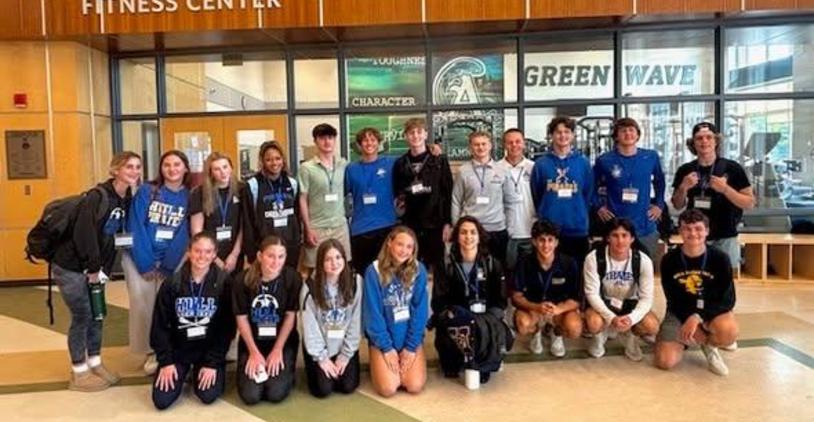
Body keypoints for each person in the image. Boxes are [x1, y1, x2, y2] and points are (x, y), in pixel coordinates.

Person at [50, 151, 141, 392]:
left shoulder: (126, 197)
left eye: (137, 167)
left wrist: (103, 271)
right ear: (115, 170)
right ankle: (79, 372)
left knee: (98, 314)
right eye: (129, 167)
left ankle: (95, 363)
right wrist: (92, 268)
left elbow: (112, 239)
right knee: (83, 316)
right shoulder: (97, 196)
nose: (134, 171)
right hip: (71, 267)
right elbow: (84, 235)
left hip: (95, 269)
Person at [125, 150, 191, 375]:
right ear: (161, 169)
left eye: (177, 164)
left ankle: (170, 348)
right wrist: (145, 262)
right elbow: (135, 225)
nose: (172, 169)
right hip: (141, 258)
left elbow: (186, 232)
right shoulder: (147, 191)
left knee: (171, 305)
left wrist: (167, 265)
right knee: (144, 305)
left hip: (173, 260)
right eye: (167, 165)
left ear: (185, 168)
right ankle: (151, 351)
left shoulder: (190, 195)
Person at [150, 233, 235, 410]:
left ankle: (202, 371)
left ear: (214, 254)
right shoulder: (172, 283)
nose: (202, 256)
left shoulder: (223, 283)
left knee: (208, 395)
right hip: (178, 352)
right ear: (189, 252)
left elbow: (226, 329)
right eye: (197, 251)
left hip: (207, 353)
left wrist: (213, 363)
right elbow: (159, 326)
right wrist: (166, 362)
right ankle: (184, 371)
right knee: (162, 401)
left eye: (208, 252)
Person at [655, 209, 738, 376]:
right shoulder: (669, 260)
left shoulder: (720, 258)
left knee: (728, 333)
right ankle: (689, 338)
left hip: (711, 311)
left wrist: (698, 317)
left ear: (707, 231)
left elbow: (727, 299)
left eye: (698, 229)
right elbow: (673, 299)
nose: (693, 233)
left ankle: (709, 345)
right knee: (665, 361)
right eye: (687, 228)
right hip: (679, 311)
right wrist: (688, 319)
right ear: (680, 231)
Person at [432, 216, 512, 383]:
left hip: (484, 320)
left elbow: (500, 301)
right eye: (463, 232)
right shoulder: (445, 264)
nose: (468, 237)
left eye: (472, 232)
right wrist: (454, 315)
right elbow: (438, 301)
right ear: (456, 237)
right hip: (456, 320)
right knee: (451, 368)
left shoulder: (492, 264)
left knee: (483, 375)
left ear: (479, 236)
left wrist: (486, 320)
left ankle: (487, 354)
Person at [671, 121, 754, 270]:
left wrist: (725, 189)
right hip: (695, 235)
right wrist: (683, 187)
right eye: (699, 138)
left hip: (725, 235)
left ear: (716, 141)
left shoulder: (732, 168)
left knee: (725, 282)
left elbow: (749, 203)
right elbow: (677, 204)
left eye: (709, 137)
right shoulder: (686, 170)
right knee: (696, 279)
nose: (704, 142)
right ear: (693, 143)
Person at [233, 235, 302, 404]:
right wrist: (254, 353)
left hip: (281, 342)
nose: (275, 262)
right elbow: (241, 319)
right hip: (253, 343)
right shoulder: (242, 280)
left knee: (275, 394)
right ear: (259, 256)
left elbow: (290, 316)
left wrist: (278, 350)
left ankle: (286, 370)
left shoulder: (292, 278)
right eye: (270, 256)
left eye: (281, 256)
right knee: (251, 396)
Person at [363, 226, 429, 397]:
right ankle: (379, 361)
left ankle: (404, 360)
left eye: (409, 247)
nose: (404, 250)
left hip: (408, 337)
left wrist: (411, 346)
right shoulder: (373, 271)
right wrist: (386, 348)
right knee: (388, 389)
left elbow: (420, 312)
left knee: (414, 385)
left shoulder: (419, 270)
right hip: (384, 339)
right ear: (389, 243)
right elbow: (373, 315)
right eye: (400, 244)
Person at [583, 218, 658, 361]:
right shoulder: (593, 258)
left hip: (629, 304)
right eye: (615, 235)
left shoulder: (643, 260)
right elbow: (591, 293)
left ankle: (631, 338)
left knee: (652, 326)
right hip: (604, 303)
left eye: (625, 236)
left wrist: (631, 318)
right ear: (608, 238)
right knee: (593, 322)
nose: (620, 241)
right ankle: (599, 336)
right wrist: (611, 318)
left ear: (632, 239)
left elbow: (646, 298)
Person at [593, 118, 666, 257]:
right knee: (617, 271)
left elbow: (660, 182)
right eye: (623, 131)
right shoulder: (604, 160)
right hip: (615, 226)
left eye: (631, 130)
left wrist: (659, 205)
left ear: (638, 134)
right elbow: (591, 186)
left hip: (644, 226)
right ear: (616, 136)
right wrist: (598, 207)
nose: (628, 134)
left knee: (645, 270)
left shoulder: (650, 156)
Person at [393, 118, 453, 281]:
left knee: (439, 270)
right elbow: (398, 194)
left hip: (436, 223)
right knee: (411, 269)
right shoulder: (400, 164)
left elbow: (448, 193)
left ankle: (439, 305)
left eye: (419, 132)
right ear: (406, 136)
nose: (415, 136)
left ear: (426, 134)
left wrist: (448, 223)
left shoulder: (439, 160)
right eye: (411, 133)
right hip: (411, 224)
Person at [301, 239, 362, 398]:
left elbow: (356, 322)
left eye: (338, 257)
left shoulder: (355, 282)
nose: (334, 263)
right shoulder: (310, 287)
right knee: (323, 390)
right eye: (328, 259)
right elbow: (309, 327)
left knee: (347, 386)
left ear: (344, 259)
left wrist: (346, 355)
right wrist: (322, 358)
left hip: (343, 345)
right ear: (320, 263)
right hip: (320, 346)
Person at [511, 220, 582, 357]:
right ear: (534, 242)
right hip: (534, 309)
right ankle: (537, 331)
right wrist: (536, 307)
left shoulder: (568, 263)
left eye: (550, 240)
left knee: (575, 328)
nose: (546, 245)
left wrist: (559, 309)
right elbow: (516, 296)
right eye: (541, 240)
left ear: (556, 242)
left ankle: (556, 332)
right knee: (522, 324)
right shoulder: (524, 262)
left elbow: (576, 299)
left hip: (558, 310)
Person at [531, 117, 593, 262]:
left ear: (572, 135)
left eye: (567, 132)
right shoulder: (541, 164)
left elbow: (588, 194)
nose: (562, 136)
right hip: (549, 233)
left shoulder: (583, 163)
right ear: (551, 135)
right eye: (558, 132)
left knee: (577, 277)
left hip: (577, 229)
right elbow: (537, 195)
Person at [299, 123, 351, 274]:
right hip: (317, 228)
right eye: (322, 138)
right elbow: (302, 199)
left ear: (335, 140)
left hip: (339, 227)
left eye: (330, 137)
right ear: (315, 141)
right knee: (317, 271)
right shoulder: (307, 168)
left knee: (341, 269)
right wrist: (307, 229)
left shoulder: (343, 165)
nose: (327, 142)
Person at [452, 131, 510, 266]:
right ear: (471, 148)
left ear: (490, 146)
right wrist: (457, 228)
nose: (480, 148)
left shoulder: (502, 170)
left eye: (484, 144)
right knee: (472, 269)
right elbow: (456, 200)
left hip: (496, 229)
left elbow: (508, 201)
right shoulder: (463, 171)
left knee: (496, 269)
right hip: (471, 232)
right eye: (476, 145)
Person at [345, 127, 397, 275]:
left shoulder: (391, 163)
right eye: (365, 140)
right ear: (359, 145)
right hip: (360, 229)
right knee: (363, 274)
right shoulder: (351, 169)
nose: (369, 143)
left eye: (373, 139)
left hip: (386, 227)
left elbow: (414, 158)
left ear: (379, 143)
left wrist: (433, 149)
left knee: (387, 273)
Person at [242, 141, 301, 269]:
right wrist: (251, 253)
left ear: (283, 160)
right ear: (262, 162)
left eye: (277, 158)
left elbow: (297, 215)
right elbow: (248, 221)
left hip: (290, 247)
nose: (274, 163)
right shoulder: (253, 186)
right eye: (268, 159)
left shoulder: (292, 183)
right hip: (264, 247)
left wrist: (298, 242)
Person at [190, 152, 244, 274]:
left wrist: (234, 255)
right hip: (208, 255)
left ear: (231, 168)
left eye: (225, 167)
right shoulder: (199, 193)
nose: (223, 172)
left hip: (235, 252)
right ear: (210, 173)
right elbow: (197, 232)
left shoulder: (242, 190)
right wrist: (213, 257)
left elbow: (244, 226)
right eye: (217, 169)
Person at [497, 128, 536, 272]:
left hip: (531, 229)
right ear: (504, 145)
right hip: (507, 231)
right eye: (510, 142)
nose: (514, 145)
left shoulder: (534, 168)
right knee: (508, 273)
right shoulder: (496, 168)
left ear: (524, 144)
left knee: (530, 273)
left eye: (518, 141)